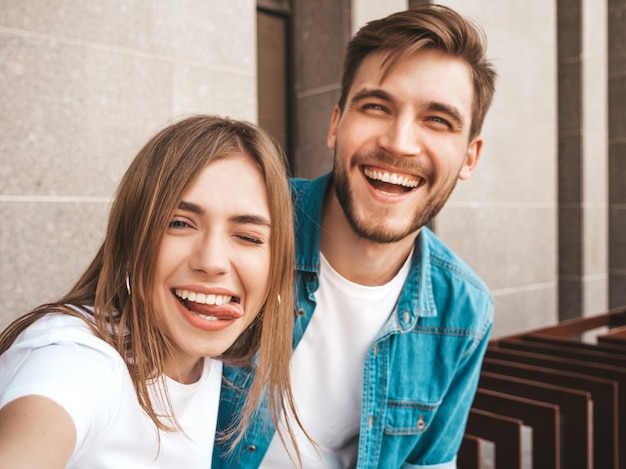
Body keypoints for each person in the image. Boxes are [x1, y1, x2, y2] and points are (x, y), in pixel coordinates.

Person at [213, 4, 497, 468]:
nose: (399, 142)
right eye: (376, 107)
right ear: (335, 125)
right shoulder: (243, 222)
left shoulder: (464, 310)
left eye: (437, 120)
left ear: (469, 157)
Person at [0, 115, 306, 468]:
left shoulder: (219, 364)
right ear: (132, 240)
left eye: (249, 237)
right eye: (179, 223)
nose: (212, 261)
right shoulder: (81, 358)